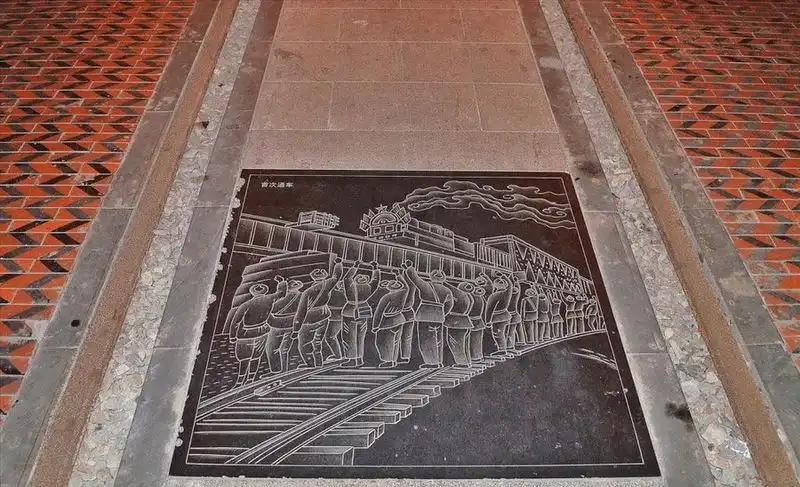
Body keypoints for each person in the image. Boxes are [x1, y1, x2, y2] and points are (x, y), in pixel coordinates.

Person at [229, 278, 287, 386]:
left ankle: (240, 382)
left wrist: (232, 336)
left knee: (244, 359)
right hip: (261, 332)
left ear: (252, 292)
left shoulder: (245, 305)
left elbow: (236, 321)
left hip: (245, 335)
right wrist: (281, 282)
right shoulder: (270, 299)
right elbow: (282, 293)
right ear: (265, 291)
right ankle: (251, 379)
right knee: (256, 357)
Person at [293, 259, 344, 368]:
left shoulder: (307, 292)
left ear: (312, 277)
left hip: (309, 319)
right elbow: (337, 276)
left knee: (304, 344)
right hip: (324, 316)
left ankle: (311, 364)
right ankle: (319, 363)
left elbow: (301, 312)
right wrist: (338, 264)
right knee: (317, 342)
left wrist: (296, 329)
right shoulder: (327, 284)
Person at [404, 263, 453, 369]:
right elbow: (450, 304)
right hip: (439, 316)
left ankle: (432, 363)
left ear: (431, 276)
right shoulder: (447, 290)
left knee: (426, 340)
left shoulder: (426, 285)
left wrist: (409, 268)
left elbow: (414, 278)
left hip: (425, 315)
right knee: (438, 340)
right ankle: (439, 361)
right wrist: (442, 313)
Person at [341, 261, 381, 368]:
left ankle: (352, 360)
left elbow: (347, 278)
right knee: (360, 337)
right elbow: (375, 280)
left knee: (349, 337)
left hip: (350, 312)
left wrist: (355, 267)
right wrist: (375, 268)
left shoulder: (350, 287)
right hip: (363, 312)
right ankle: (359, 359)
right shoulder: (368, 288)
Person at [266, 279, 303, 373]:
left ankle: (276, 371)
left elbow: (273, 309)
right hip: (292, 324)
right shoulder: (302, 295)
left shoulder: (284, 297)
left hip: (278, 324)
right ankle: (284, 371)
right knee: (285, 349)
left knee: (272, 349)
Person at [372, 278, 410, 368]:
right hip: (399, 319)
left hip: (387, 321)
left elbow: (379, 312)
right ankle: (393, 360)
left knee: (383, 341)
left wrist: (375, 326)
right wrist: (400, 276)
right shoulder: (402, 294)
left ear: (388, 287)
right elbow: (407, 287)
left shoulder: (386, 297)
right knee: (396, 341)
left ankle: (388, 361)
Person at [443, 280, 474, 366]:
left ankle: (461, 363)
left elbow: (452, 289)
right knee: (464, 345)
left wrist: (444, 282)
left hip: (456, 323)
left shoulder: (460, 295)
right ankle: (467, 362)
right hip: (465, 322)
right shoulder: (469, 297)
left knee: (455, 344)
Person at [484, 274, 513, 357]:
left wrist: (487, 321)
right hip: (506, 315)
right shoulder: (507, 293)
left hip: (497, 317)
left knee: (498, 334)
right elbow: (510, 285)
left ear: (495, 285)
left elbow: (489, 310)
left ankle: (502, 350)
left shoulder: (493, 296)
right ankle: (507, 348)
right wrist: (504, 276)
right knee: (505, 333)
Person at [324, 279, 347, 361]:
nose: (341, 285)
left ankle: (338, 355)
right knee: (334, 336)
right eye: (340, 283)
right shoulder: (333, 291)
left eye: (343, 283)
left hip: (337, 317)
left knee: (330, 336)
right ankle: (341, 354)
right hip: (336, 317)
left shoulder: (342, 292)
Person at [467, 282, 487, 362]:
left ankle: (474, 357)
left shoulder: (470, 297)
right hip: (480, 321)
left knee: (472, 340)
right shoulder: (481, 298)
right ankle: (479, 356)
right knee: (477, 340)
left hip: (472, 321)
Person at [508, 276, 525, 348]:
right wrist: (516, 282)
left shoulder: (507, 297)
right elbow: (519, 289)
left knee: (511, 330)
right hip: (516, 314)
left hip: (512, 315)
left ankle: (510, 345)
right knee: (519, 329)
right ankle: (522, 341)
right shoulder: (516, 295)